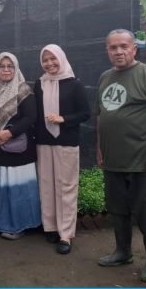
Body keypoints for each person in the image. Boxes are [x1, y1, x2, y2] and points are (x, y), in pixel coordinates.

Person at [94, 29, 146, 279]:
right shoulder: (105, 78)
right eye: (113, 47)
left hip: (144, 162)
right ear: (107, 51)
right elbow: (102, 117)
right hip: (114, 163)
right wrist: (100, 150)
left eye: (123, 46)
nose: (118, 51)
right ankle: (123, 252)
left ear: (134, 49)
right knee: (117, 211)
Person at [0, 52, 40, 240]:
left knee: (16, 188)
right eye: (1, 66)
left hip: (17, 150)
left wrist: (10, 132)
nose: (6, 70)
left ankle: (18, 225)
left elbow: (31, 118)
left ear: (16, 68)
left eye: (10, 66)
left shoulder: (23, 91)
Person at [33, 43, 90, 255]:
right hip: (43, 141)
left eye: (53, 59)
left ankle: (65, 234)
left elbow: (85, 113)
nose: (49, 64)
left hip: (66, 142)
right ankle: (50, 227)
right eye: (45, 60)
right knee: (46, 185)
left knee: (66, 187)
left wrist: (63, 119)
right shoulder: (39, 84)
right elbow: (36, 114)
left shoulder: (74, 84)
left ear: (61, 58)